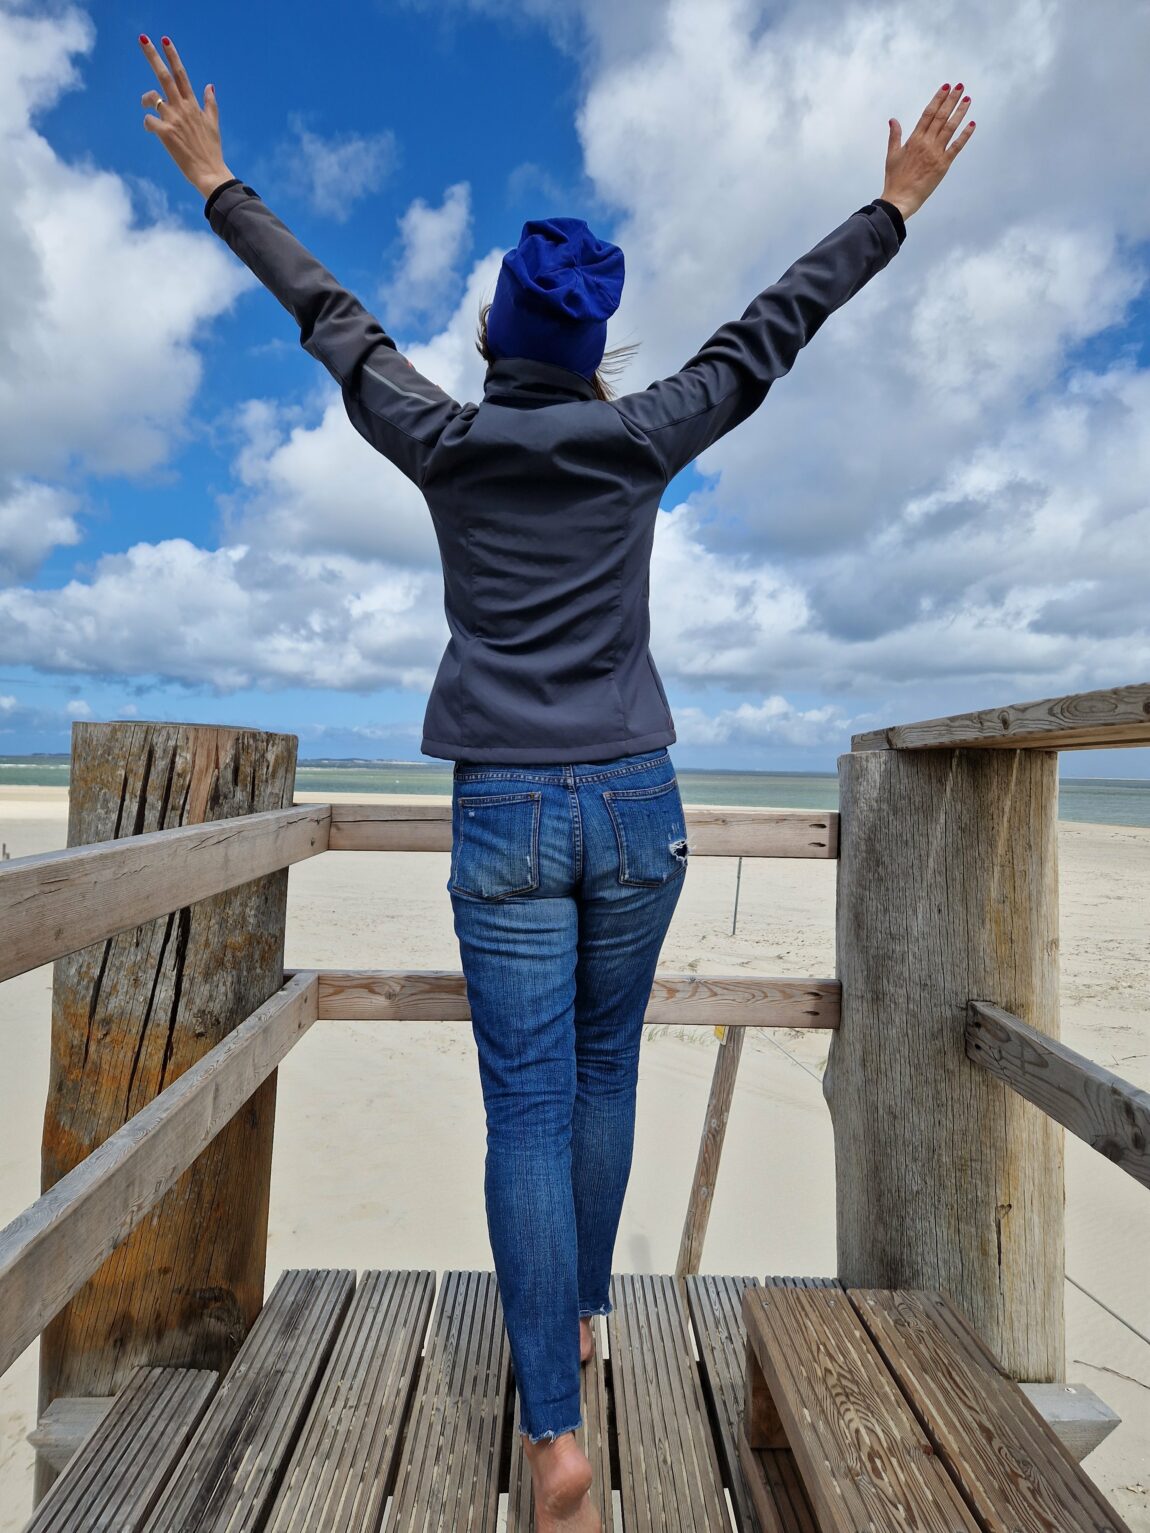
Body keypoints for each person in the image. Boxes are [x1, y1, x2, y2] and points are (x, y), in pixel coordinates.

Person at [136, 34, 974, 1532]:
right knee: (603, 1075)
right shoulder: (643, 436)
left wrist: (215, 177)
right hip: (637, 806)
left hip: (506, 808)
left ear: (494, 338)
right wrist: (891, 205)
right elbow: (773, 326)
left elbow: (328, 314)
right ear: (591, 352)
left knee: (524, 1105)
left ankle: (553, 1429)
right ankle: (581, 1309)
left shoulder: (444, 444)